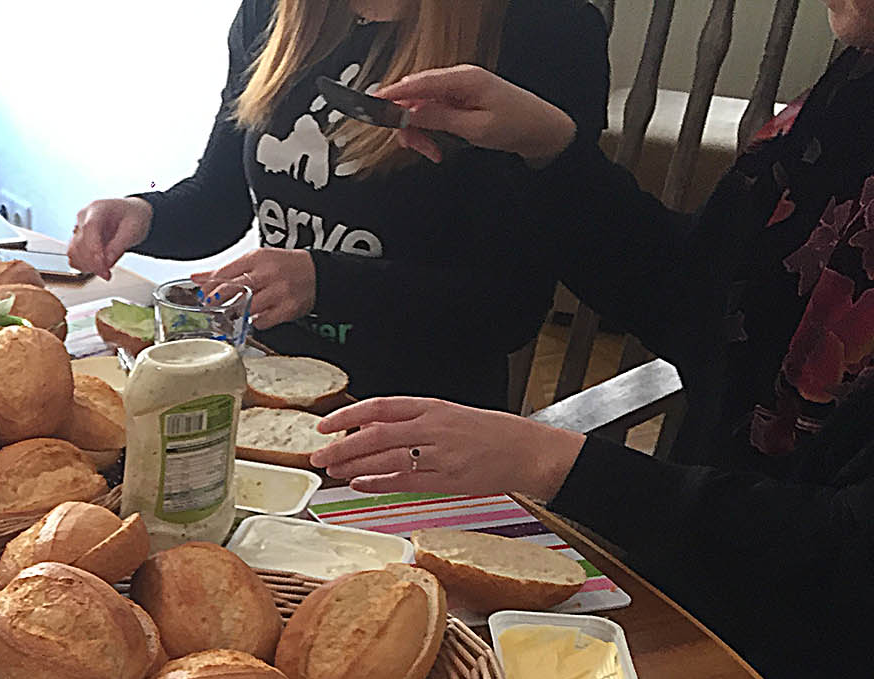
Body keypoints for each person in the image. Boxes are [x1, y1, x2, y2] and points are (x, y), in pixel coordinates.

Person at [306, 0, 874, 679]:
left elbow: (847, 562)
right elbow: (699, 302)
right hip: (711, 589)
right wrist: (548, 151)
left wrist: (554, 463)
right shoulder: (852, 87)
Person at [66, 0, 608, 409]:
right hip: (266, 378)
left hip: (422, 412)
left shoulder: (546, 29)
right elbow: (219, 201)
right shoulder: (273, 14)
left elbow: (505, 310)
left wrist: (327, 283)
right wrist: (145, 215)